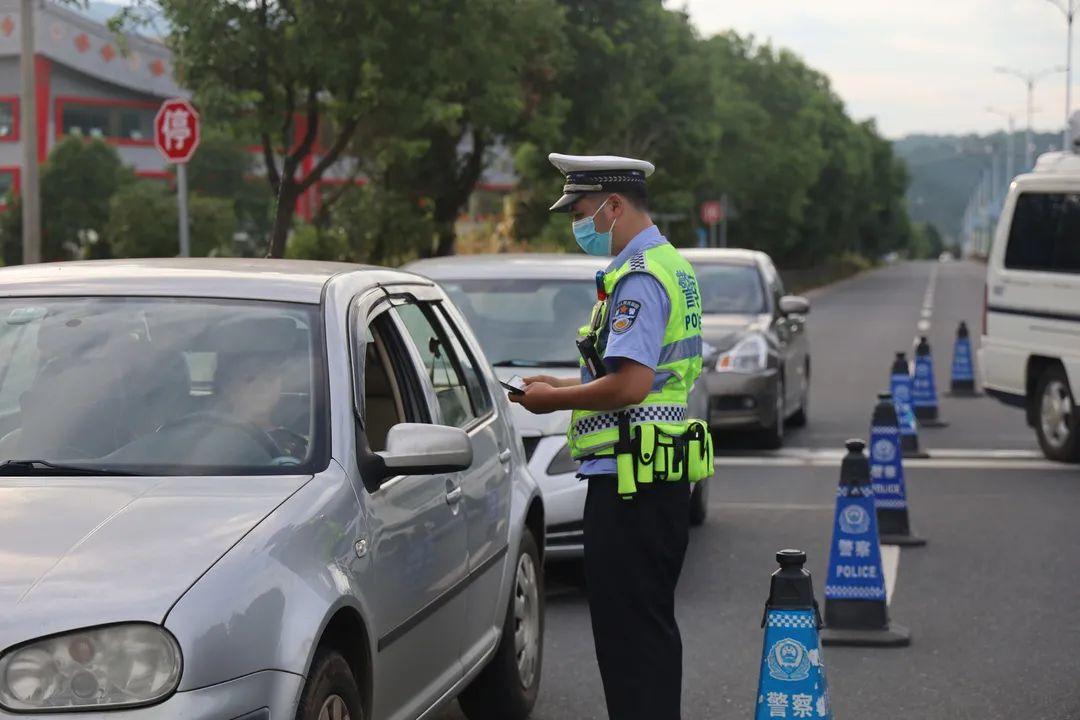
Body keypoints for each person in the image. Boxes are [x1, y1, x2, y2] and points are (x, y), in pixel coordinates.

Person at [509, 153, 706, 720]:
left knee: (629, 640)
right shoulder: (671, 265)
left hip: (630, 484)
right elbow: (632, 374)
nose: (578, 223)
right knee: (648, 632)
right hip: (652, 475)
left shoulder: (639, 278)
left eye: (582, 210)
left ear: (614, 205)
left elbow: (631, 386)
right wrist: (565, 383)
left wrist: (553, 399)